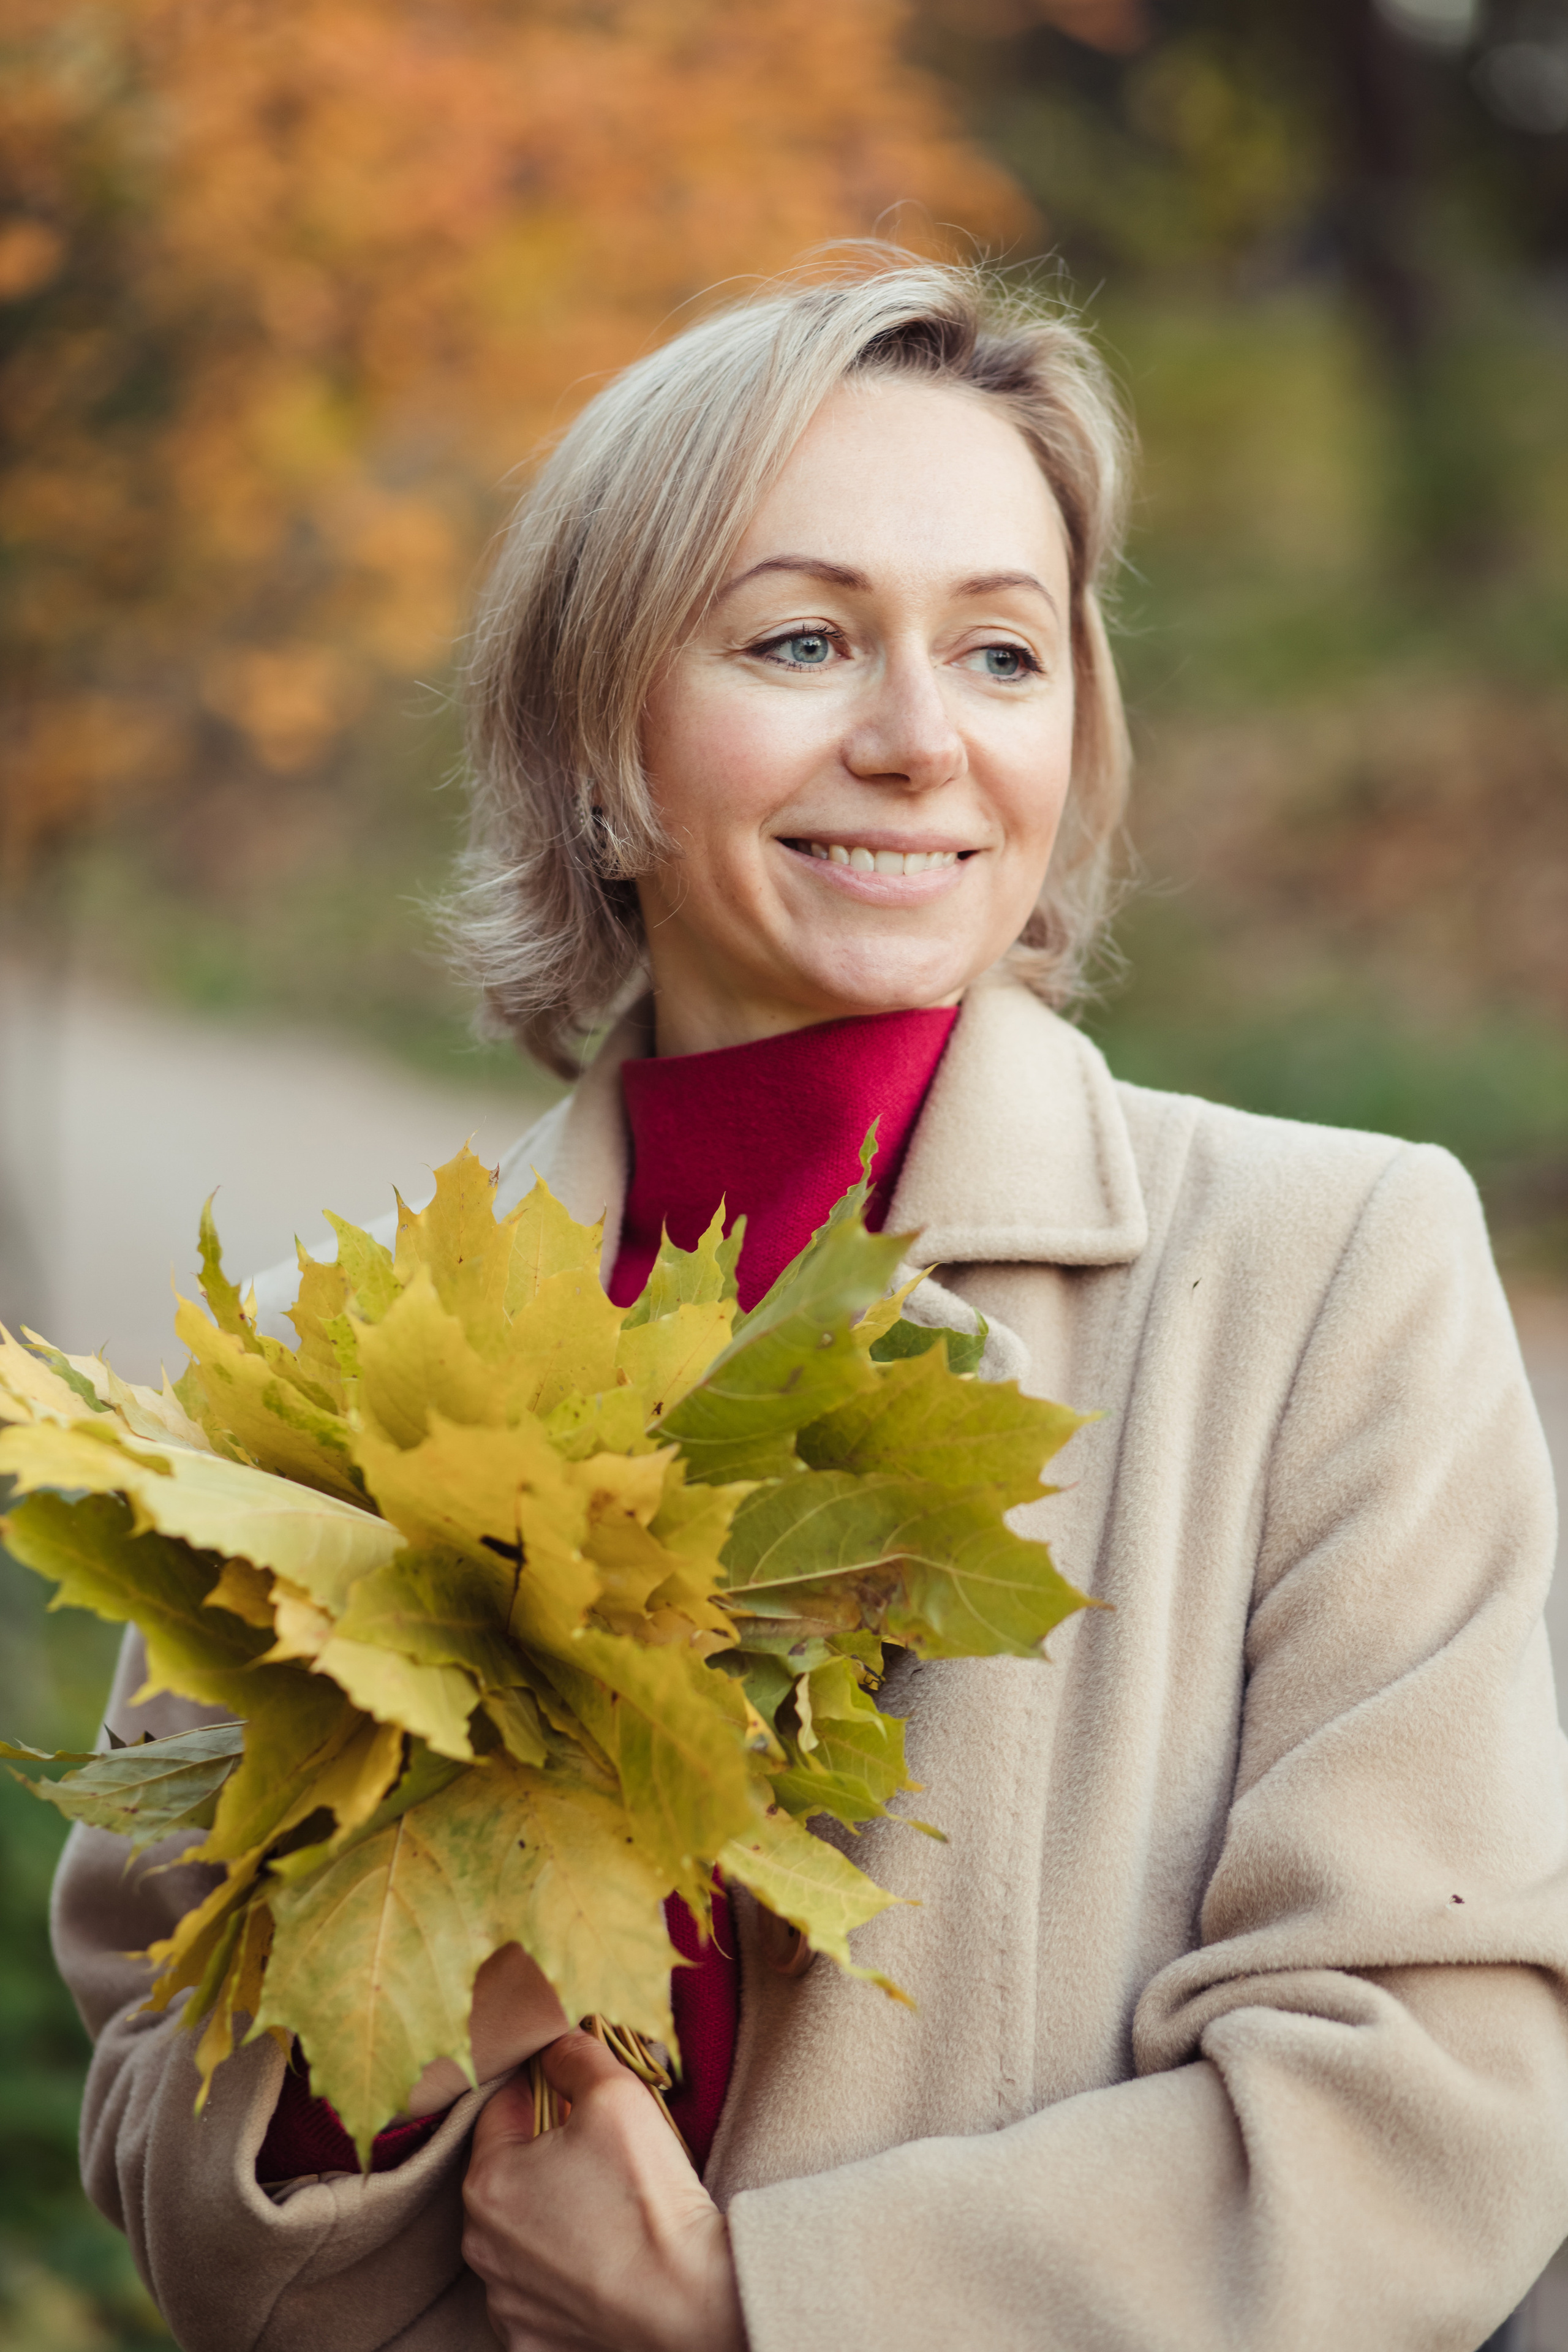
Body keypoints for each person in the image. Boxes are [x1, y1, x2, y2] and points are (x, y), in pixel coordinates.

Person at [52, 254, 1568, 2352]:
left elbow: (1435, 2109)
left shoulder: (1329, 1272)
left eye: (1004, 655)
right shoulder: (335, 1382)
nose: (920, 740)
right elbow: (160, 2131)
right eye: (802, 640)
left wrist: (756, 2304)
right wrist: (380, 2044)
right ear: (597, 731)